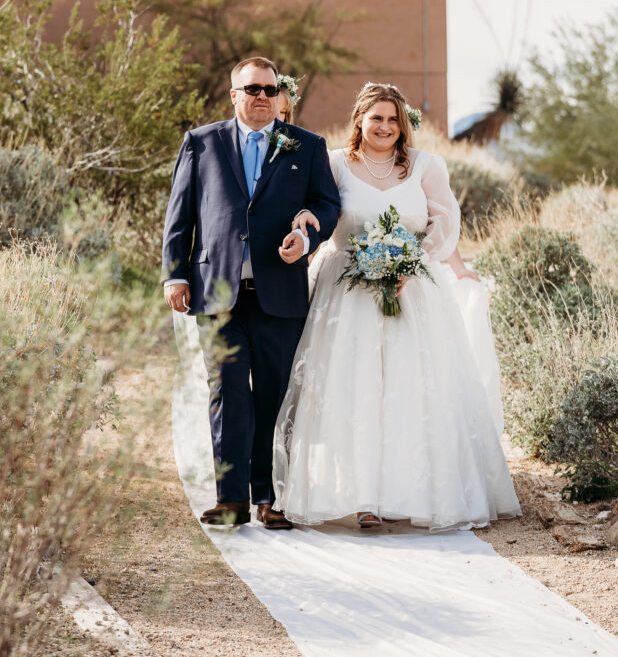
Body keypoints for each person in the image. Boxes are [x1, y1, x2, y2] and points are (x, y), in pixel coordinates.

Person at [273, 81, 521, 530]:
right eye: (376, 118)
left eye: (393, 119)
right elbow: (318, 214)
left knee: (409, 390)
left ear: (403, 124)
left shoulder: (427, 166)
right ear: (360, 121)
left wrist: (415, 262)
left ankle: (406, 491)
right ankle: (361, 497)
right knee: (354, 390)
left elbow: (444, 222)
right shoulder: (333, 164)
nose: (385, 126)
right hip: (346, 294)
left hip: (413, 292)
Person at [163, 56, 341, 530]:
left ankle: (269, 497)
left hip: (279, 295)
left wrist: (306, 238)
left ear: (279, 95)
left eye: (269, 88)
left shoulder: (307, 145)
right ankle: (231, 499)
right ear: (234, 94)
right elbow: (180, 215)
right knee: (227, 395)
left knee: (273, 397)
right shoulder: (201, 143)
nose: (261, 96)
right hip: (217, 293)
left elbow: (327, 204)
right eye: (252, 88)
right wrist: (174, 274)